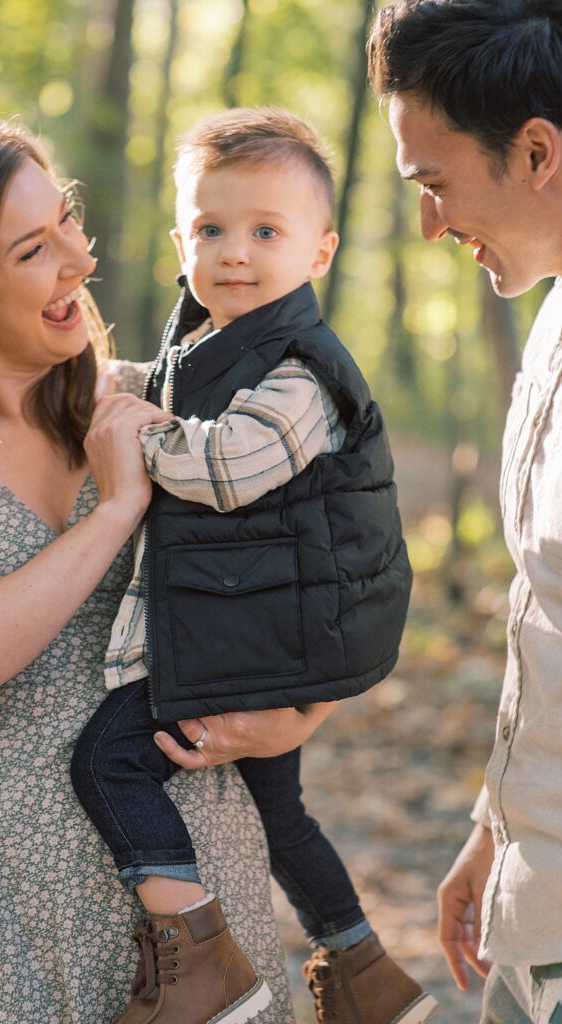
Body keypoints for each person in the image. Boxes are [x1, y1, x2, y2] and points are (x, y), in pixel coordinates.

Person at [0, 114, 305, 1024]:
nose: (80, 258)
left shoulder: (176, 409)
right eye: (35, 248)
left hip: (194, 885)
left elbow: (322, 558)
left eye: (66, 217)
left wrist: (303, 711)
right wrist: (115, 512)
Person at [70, 107, 435, 1024]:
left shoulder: (306, 369)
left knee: (110, 760)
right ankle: (363, 973)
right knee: (280, 814)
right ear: (179, 239)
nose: (235, 252)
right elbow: (159, 386)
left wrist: (136, 439)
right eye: (211, 228)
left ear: (320, 252)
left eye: (266, 231)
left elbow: (233, 464)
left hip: (258, 636)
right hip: (262, 625)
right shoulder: (207, 346)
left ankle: (199, 955)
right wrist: (105, 387)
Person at [367, 2, 562, 1022]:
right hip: (535, 905)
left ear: (537, 151)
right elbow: (548, 612)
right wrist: (498, 821)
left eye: (435, 184)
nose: (432, 226)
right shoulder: (550, 321)